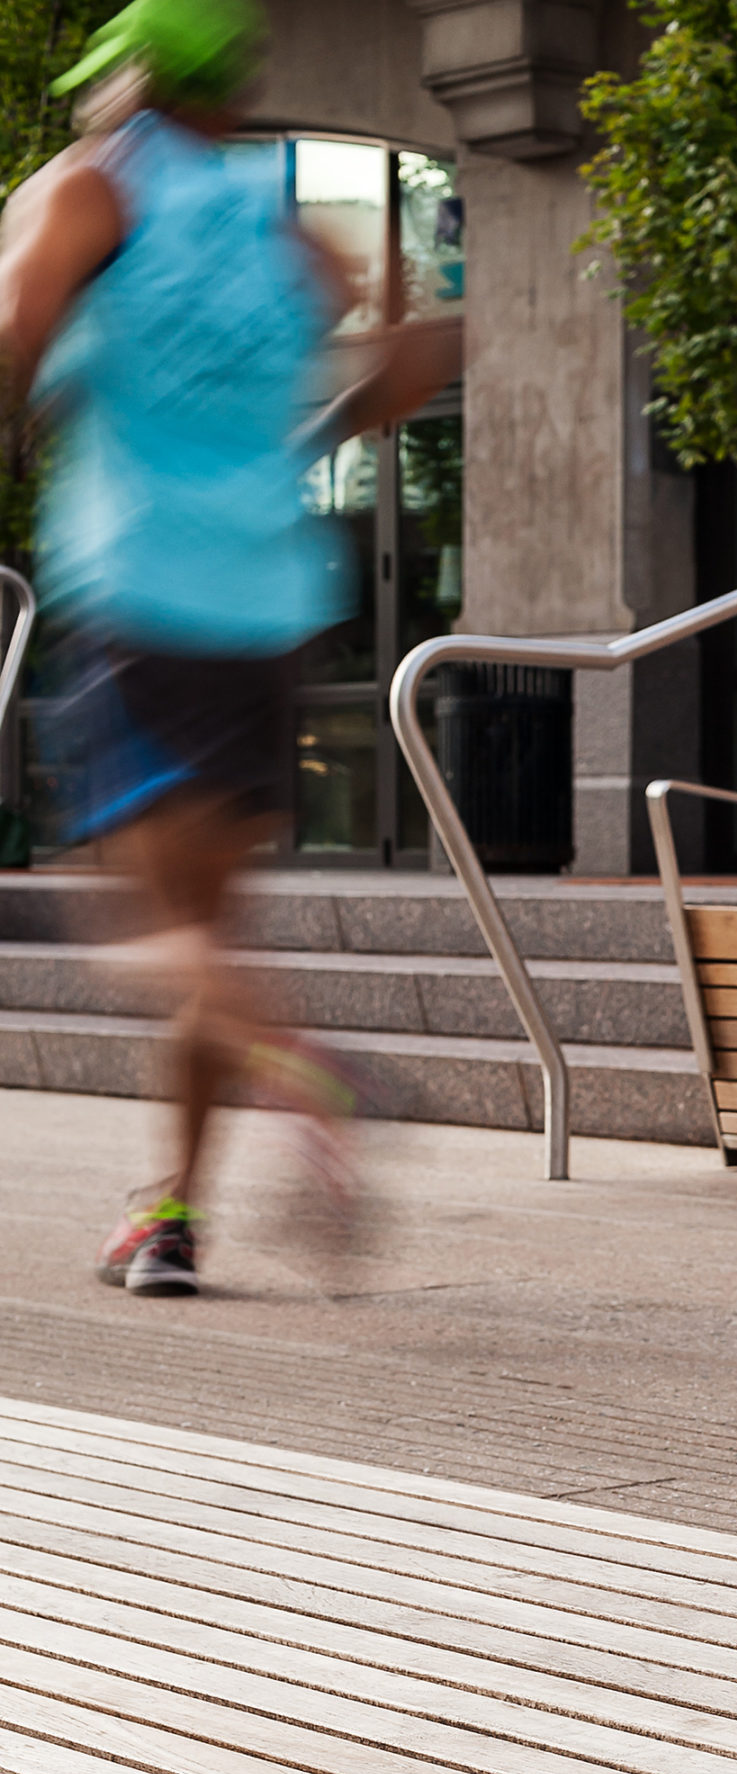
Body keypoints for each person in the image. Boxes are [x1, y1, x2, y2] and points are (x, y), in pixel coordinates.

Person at [0, 0, 459, 1293]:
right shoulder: (289, 224)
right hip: (266, 613)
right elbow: (392, 377)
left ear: (137, 78)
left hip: (135, 597)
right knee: (208, 930)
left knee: (131, 925)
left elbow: (9, 328)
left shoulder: (91, 186)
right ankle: (172, 1220)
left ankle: (311, 1071)